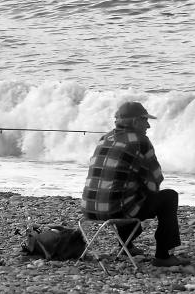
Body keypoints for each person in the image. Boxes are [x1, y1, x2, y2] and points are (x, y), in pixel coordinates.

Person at [81, 101, 189, 267]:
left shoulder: (105, 138)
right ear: (135, 122)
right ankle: (163, 255)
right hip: (115, 212)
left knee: (125, 192)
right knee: (169, 197)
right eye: (145, 120)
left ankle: (126, 246)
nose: (148, 125)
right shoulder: (141, 141)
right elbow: (156, 179)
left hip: (89, 210)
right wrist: (147, 194)